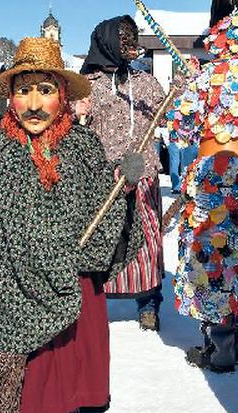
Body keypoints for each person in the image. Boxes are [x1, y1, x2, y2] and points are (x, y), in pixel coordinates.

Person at [0, 37, 143, 413]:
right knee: (23, 399)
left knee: (59, 393)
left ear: (63, 96)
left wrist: (123, 188)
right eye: (24, 91)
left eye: (45, 91)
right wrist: (24, 272)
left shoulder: (84, 147)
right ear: (11, 98)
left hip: (72, 289)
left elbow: (104, 220)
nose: (34, 105)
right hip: (10, 294)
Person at [167, 3, 238, 373]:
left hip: (214, 174)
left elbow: (179, 130)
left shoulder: (208, 76)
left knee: (213, 256)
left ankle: (220, 342)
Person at [80, 15, 166, 331]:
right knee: (104, 240)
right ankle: (94, 301)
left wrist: (185, 91)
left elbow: (170, 112)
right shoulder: (85, 87)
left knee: (146, 239)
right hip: (103, 178)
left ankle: (149, 303)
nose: (131, 45)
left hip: (141, 172)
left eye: (133, 39)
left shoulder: (145, 82)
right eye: (124, 40)